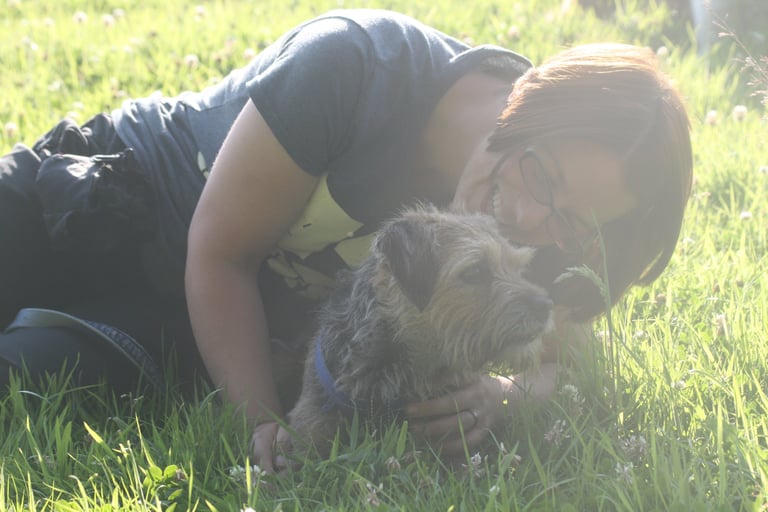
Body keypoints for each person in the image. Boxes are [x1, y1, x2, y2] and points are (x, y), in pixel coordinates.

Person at [0, 9, 692, 472]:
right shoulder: (357, 68)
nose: (538, 222)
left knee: (24, 377)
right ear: (527, 99)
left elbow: (567, 353)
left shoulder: (533, 228)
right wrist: (267, 423)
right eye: (544, 175)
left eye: (575, 222)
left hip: (185, 321)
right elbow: (220, 251)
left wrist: (507, 396)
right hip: (110, 192)